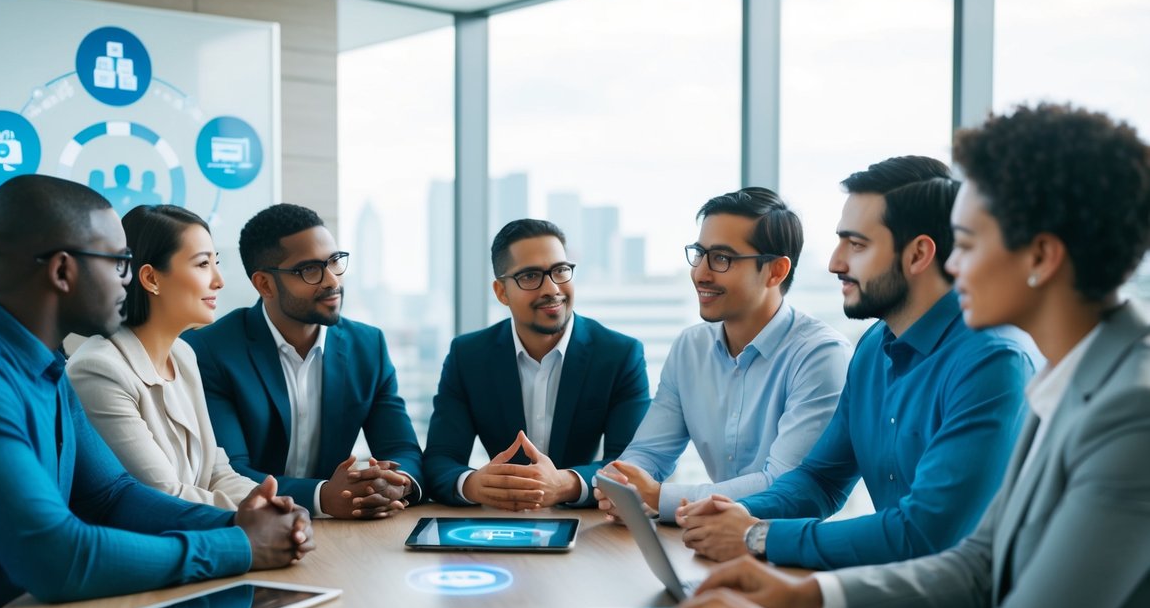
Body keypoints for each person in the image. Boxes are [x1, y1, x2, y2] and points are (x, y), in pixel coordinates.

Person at [668, 103, 1150, 608]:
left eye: (969, 246)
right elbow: (977, 566)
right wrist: (805, 595)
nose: (955, 268)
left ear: (1040, 256)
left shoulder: (1129, 409)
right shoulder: (1073, 375)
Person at [0, 175, 312, 608]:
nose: (126, 280)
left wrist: (241, 521)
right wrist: (238, 545)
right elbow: (56, 556)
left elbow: (110, 495)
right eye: (116, 263)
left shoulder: (44, 363)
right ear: (63, 271)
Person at [677, 157, 1035, 569]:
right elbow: (820, 480)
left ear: (919, 254)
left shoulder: (993, 363)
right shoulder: (872, 348)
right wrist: (729, 514)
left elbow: (925, 534)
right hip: (897, 593)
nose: (835, 262)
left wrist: (758, 535)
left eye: (857, 244)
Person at [594, 188, 850, 522]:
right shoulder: (690, 348)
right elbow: (648, 453)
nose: (701, 273)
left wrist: (659, 497)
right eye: (699, 254)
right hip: (712, 538)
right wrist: (624, 485)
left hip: (788, 550)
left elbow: (784, 484)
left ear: (775, 271)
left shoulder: (821, 355)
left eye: (722, 259)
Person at [184, 204, 421, 519]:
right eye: (310, 269)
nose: (331, 281)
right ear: (265, 284)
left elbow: (403, 450)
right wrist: (322, 496)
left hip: (342, 535)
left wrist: (395, 483)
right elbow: (231, 472)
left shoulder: (368, 346)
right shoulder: (209, 350)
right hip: (250, 527)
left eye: (335, 262)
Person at [422, 219, 650, 509]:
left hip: (588, 529)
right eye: (530, 276)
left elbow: (632, 463)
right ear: (501, 292)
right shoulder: (467, 356)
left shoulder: (619, 355)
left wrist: (567, 484)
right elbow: (440, 459)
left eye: (560, 270)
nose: (552, 288)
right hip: (501, 525)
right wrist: (473, 484)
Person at [67, 205, 259, 508]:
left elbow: (216, 472)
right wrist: (257, 515)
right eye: (202, 264)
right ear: (151, 278)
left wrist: (273, 503)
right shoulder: (99, 369)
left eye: (216, 262)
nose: (218, 280)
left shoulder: (183, 355)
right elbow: (163, 496)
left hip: (203, 536)